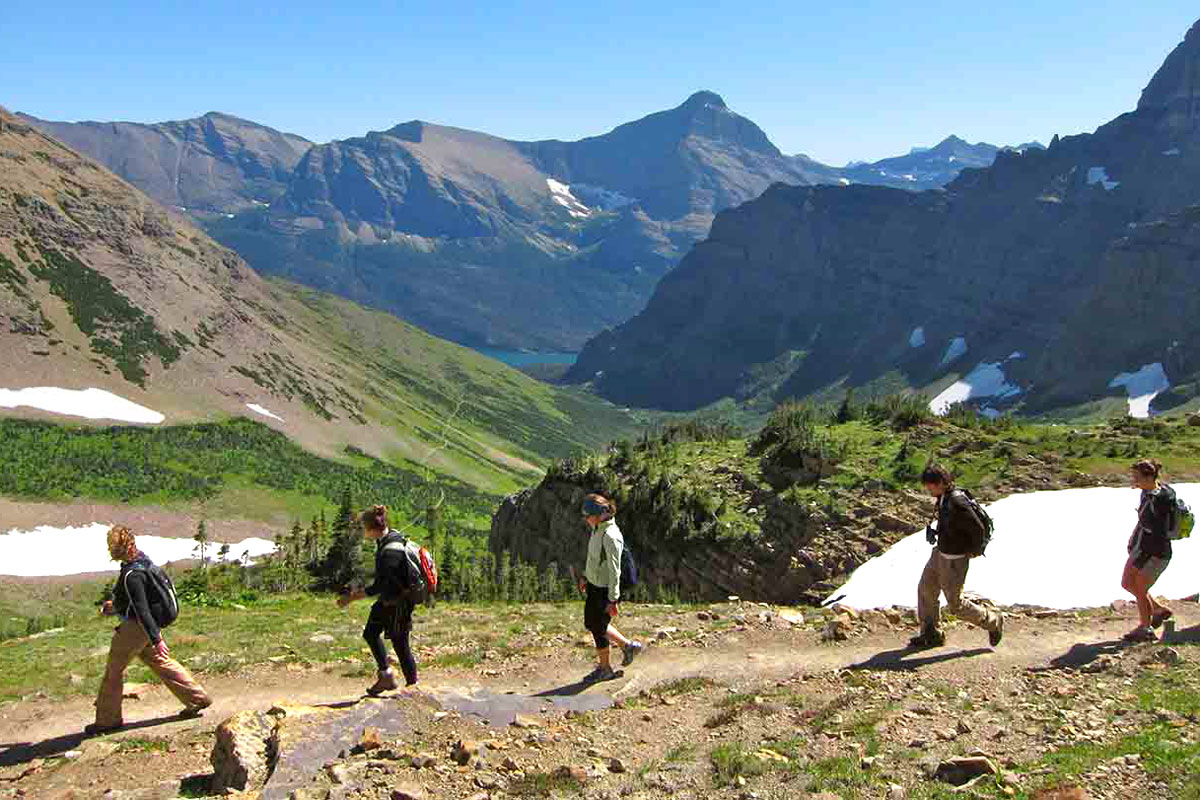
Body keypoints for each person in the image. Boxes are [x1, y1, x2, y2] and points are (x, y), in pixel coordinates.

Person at [86, 526, 211, 736]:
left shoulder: (131, 575)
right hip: (147, 628)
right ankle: (197, 698)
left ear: (117, 548)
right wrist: (116, 606)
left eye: (111, 546)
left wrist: (155, 639)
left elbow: (141, 608)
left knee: (114, 671)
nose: (109, 549)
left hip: (136, 629)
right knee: (161, 662)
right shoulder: (143, 561)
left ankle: (108, 721)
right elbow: (139, 601)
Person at [910, 465, 1004, 649]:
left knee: (956, 605)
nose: (928, 490)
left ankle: (993, 621)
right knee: (926, 590)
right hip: (940, 552)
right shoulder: (945, 497)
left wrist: (972, 551)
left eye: (930, 486)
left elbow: (978, 529)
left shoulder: (957, 502)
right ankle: (931, 633)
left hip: (954, 559)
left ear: (941, 483)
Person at [338, 505, 418, 694]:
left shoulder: (389, 551)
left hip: (399, 602)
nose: (363, 532)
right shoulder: (388, 538)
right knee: (371, 633)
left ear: (371, 528)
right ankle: (387, 677)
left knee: (400, 643)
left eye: (363, 528)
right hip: (389, 600)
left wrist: (351, 598)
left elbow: (378, 587)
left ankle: (413, 687)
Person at [579, 493, 643, 681]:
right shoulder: (598, 528)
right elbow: (594, 559)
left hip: (604, 588)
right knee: (592, 622)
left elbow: (615, 571)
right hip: (595, 583)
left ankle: (605, 669)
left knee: (597, 626)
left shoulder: (610, 536)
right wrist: (586, 576)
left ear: (598, 514)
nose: (585, 519)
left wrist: (612, 599)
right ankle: (627, 646)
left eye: (587, 516)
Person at [1122, 459, 1174, 642]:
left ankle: (1146, 629)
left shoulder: (1159, 499)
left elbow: (1155, 530)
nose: (1134, 480)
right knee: (1128, 583)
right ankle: (1159, 611)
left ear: (1149, 476)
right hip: (1142, 549)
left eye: (1137, 477)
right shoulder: (1149, 492)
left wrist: (1140, 544)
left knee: (1140, 587)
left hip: (1154, 552)